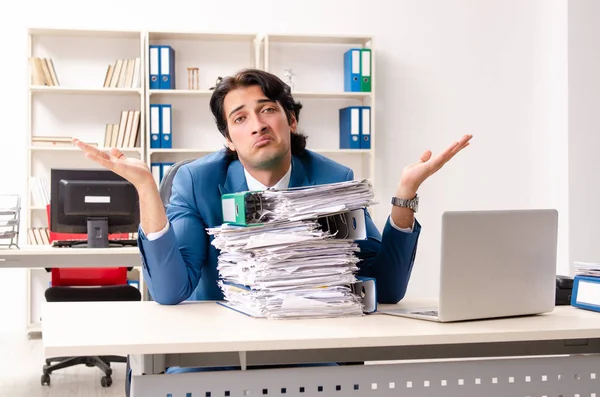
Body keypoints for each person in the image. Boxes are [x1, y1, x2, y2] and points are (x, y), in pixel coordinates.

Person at [73, 68, 471, 393]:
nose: (257, 125)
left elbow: (386, 286)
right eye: (240, 118)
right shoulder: (197, 180)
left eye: (267, 110)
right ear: (229, 139)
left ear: (291, 119)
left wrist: (406, 195)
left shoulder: (332, 180)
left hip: (307, 357)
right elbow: (170, 290)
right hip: (213, 360)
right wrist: (147, 189)